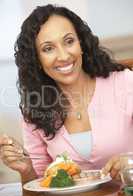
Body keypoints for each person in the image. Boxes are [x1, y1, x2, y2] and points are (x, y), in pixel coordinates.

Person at [0, 4, 133, 184]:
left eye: (69, 41)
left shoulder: (125, 82)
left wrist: (131, 163)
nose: (63, 56)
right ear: (36, 59)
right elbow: (39, 185)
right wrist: (26, 169)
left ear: (82, 43)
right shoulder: (34, 111)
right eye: (48, 48)